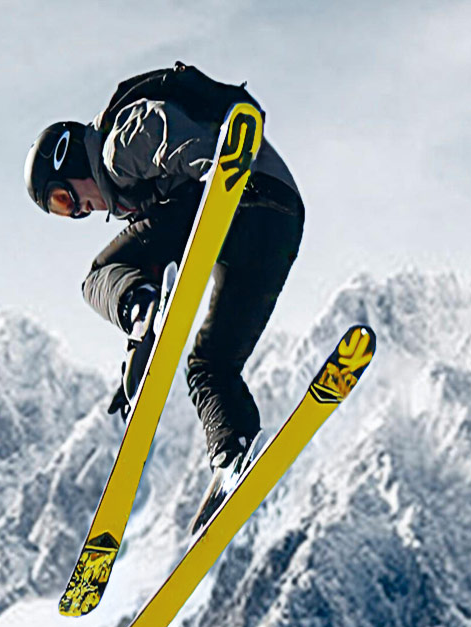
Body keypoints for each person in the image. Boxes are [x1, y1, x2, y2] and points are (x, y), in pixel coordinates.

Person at [24, 71, 304, 532]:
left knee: (98, 276)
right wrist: (138, 364)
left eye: (62, 197)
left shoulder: (116, 146)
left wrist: (218, 173)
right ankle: (233, 453)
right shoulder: (135, 188)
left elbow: (161, 131)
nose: (76, 211)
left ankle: (137, 307)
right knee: (210, 364)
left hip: (234, 193)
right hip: (278, 223)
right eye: (61, 211)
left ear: (69, 158)